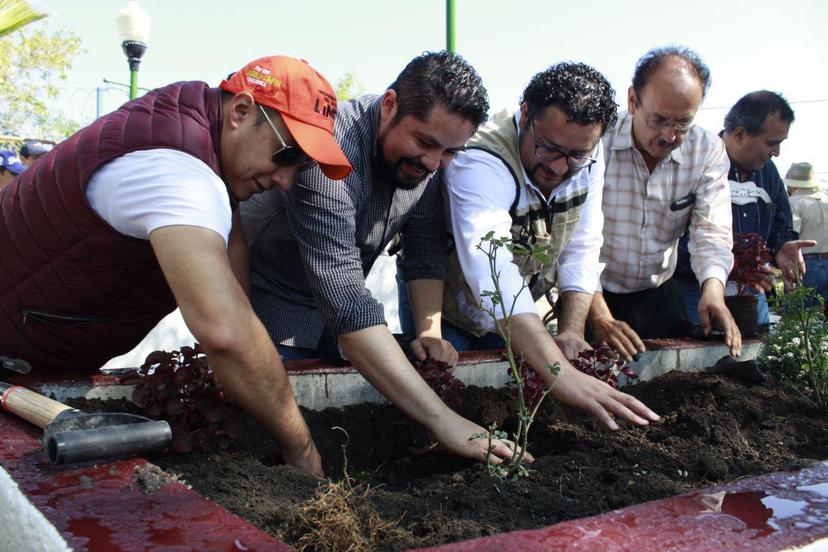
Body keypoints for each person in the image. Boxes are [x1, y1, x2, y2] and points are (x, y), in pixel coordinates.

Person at [0, 55, 355, 477]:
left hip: (39, 354)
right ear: (241, 111)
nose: (286, 180)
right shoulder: (177, 173)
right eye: (286, 154)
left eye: (303, 166)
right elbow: (225, 333)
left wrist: (245, 349)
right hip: (12, 355)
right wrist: (302, 449)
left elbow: (233, 242)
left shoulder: (196, 123)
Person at [421, 61, 659, 428]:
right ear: (525, 114)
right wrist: (559, 372)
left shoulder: (589, 157)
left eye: (577, 156)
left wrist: (571, 332)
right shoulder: (480, 160)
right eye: (548, 148)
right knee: (450, 411)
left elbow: (582, 247)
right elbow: (493, 271)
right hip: (455, 319)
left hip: (523, 321)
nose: (561, 168)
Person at [588, 45, 741, 360]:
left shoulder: (706, 151)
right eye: (658, 120)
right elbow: (574, 235)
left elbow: (711, 231)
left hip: (658, 292)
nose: (670, 136)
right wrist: (600, 316)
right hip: (592, 292)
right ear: (633, 101)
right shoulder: (596, 140)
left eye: (683, 123)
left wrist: (713, 290)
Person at [673, 91, 814, 327]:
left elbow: (782, 224)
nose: (777, 152)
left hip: (751, 294)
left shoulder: (769, 173)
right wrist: (726, 266)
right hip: (694, 293)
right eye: (772, 143)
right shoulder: (694, 165)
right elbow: (671, 236)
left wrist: (782, 246)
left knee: (754, 358)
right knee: (698, 358)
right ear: (739, 134)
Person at [787, 162, 828, 307]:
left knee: (800, 318)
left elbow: (792, 236)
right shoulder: (825, 200)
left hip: (806, 265)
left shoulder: (792, 203)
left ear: (791, 185)